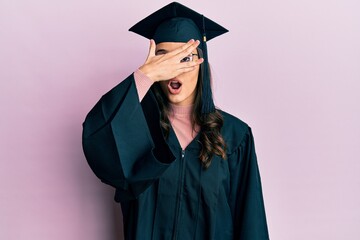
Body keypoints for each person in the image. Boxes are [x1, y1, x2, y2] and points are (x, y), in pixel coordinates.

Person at [82, 2, 269, 239]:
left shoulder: (235, 136)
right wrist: (145, 75)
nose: (174, 70)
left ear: (201, 65)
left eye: (185, 58)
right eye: (165, 59)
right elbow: (98, 137)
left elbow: (251, 223)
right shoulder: (137, 130)